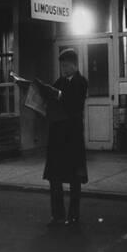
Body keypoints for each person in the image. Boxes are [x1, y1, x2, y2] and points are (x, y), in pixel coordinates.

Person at [36, 48, 88, 227]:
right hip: (58, 136)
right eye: (62, 66)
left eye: (66, 66)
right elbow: (51, 101)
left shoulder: (81, 82)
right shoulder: (59, 81)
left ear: (74, 65)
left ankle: (73, 215)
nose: (63, 69)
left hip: (72, 137)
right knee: (55, 178)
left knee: (74, 179)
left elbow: (74, 103)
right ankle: (57, 214)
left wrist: (57, 94)